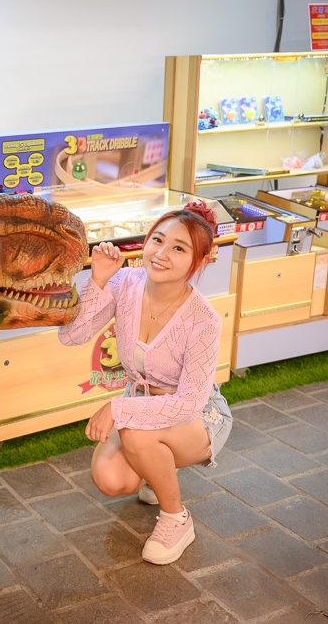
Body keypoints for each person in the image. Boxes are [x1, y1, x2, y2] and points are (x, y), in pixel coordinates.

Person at [58, 202, 232, 565]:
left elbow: (188, 403)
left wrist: (118, 407)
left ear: (197, 262)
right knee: (110, 479)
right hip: (143, 402)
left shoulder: (204, 319)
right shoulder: (126, 283)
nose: (161, 254)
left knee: (135, 429)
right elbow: (71, 336)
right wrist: (98, 279)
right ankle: (157, 473)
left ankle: (176, 519)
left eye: (179, 248)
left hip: (198, 416)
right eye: (158, 240)